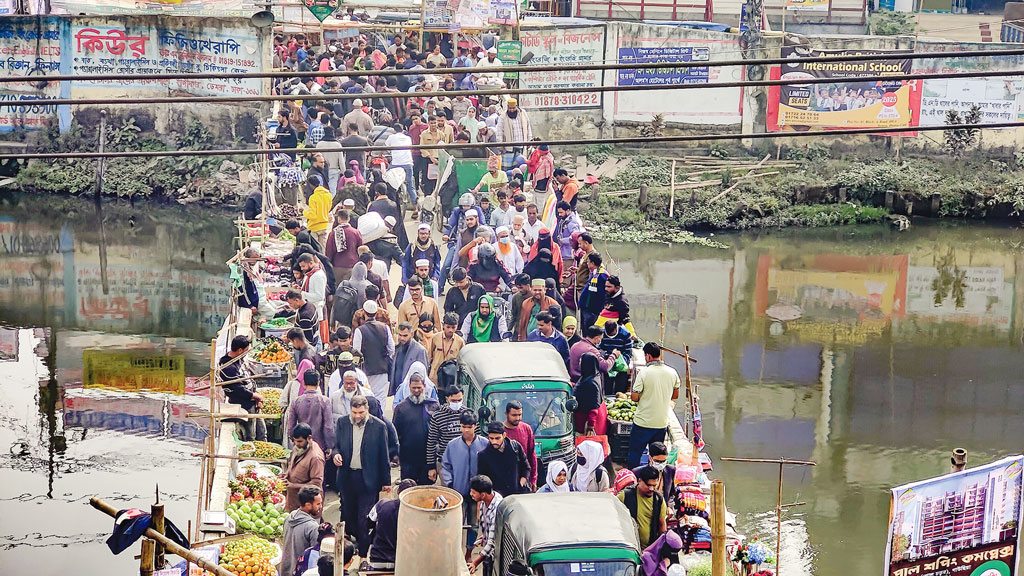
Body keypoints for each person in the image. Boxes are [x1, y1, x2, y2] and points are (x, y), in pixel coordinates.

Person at [333, 395, 393, 556]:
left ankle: (363, 554)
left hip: (368, 480)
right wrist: (336, 455)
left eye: (361, 412)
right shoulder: (342, 423)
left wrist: (386, 481)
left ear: (367, 410)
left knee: (363, 518)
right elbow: (336, 445)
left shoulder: (379, 427)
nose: (357, 416)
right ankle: (351, 548)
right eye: (354, 412)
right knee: (348, 514)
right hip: (347, 478)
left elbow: (383, 455)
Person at [441, 412, 489, 557]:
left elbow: (488, 467)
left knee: (474, 525)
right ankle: (454, 553)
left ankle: (469, 552)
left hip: (477, 495)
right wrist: (450, 485)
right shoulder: (452, 445)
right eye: (463, 427)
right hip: (458, 492)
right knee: (455, 524)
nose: (466, 430)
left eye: (469, 427)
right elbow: (446, 466)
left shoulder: (484, 444)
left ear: (475, 426)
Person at [628, 343, 680, 468]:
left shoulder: (644, 373)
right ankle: (654, 478)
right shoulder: (672, 372)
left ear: (649, 356)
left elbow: (634, 397)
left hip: (642, 422)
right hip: (661, 423)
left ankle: (633, 480)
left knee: (635, 454)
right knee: (655, 456)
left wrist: (646, 396)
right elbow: (675, 395)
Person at [392, 375, 440, 485]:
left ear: (424, 386)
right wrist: (396, 454)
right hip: (408, 459)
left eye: (419, 387)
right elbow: (395, 433)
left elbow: (439, 431)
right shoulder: (401, 408)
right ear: (409, 387)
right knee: (409, 489)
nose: (416, 390)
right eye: (414, 388)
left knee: (425, 491)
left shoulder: (433, 405)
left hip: (428, 458)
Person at [218, 335, 265, 441]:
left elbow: (248, 378)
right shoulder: (228, 367)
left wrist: (256, 394)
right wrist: (254, 396)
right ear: (240, 350)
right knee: (250, 436)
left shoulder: (239, 360)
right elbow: (238, 389)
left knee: (262, 432)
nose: (246, 353)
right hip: (244, 405)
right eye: (246, 350)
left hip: (253, 402)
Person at [366, 479, 418, 570]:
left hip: (377, 559)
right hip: (401, 562)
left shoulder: (382, 504)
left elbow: (369, 523)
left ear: (398, 492)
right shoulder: (417, 513)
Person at [426, 386, 473, 482]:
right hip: (445, 462)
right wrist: (431, 466)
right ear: (447, 399)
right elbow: (431, 442)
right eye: (453, 401)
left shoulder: (468, 414)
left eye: (459, 400)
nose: (457, 403)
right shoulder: (438, 416)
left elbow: (476, 438)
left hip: (465, 462)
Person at [352, 300, 394, 403]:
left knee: (365, 398)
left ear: (364, 313)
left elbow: (356, 352)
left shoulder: (360, 330)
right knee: (380, 399)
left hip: (366, 370)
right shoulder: (385, 328)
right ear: (376, 313)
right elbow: (391, 349)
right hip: (382, 369)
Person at [285, 371, 334, 455]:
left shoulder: (296, 401)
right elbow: (328, 427)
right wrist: (329, 446)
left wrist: (295, 440)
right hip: (319, 446)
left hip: (302, 445)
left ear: (303, 383)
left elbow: (291, 426)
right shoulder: (325, 401)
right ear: (318, 383)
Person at [280, 424, 327, 512]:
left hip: (308, 504)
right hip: (293, 500)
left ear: (309, 438)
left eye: (299, 441)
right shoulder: (298, 447)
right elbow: (292, 464)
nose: (296, 444)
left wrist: (293, 485)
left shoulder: (315, 457)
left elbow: (316, 484)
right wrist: (286, 474)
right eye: (295, 441)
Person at [618, 466, 667, 549]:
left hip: (650, 550)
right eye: (648, 485)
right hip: (629, 548)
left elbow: (662, 524)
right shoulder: (625, 496)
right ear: (639, 481)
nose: (651, 488)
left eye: (654, 485)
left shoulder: (659, 500)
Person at [477, 421, 530, 497]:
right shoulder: (483, 455)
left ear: (504, 435)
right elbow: (483, 479)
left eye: (497, 438)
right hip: (497, 499)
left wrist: (522, 481)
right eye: (491, 438)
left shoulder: (515, 447)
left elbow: (526, 467)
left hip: (517, 495)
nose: (494, 441)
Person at [282, 486, 323, 576]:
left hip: (285, 570)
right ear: (308, 505)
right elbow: (314, 557)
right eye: (318, 504)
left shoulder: (289, 518)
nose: (320, 507)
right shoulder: (313, 527)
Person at [469, 474, 503, 575]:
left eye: (473, 492)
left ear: (483, 494)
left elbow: (492, 542)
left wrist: (475, 563)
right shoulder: (484, 502)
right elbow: (486, 527)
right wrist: (483, 537)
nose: (471, 494)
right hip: (488, 552)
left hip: (496, 554)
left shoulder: (496, 509)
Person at [500, 401, 537, 490]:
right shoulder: (499, 430)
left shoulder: (526, 428)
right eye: (514, 415)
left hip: (524, 477)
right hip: (504, 479)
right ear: (506, 414)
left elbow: (532, 455)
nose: (517, 418)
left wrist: (533, 479)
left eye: (520, 415)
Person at [572, 352, 607, 436]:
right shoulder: (589, 377)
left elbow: (593, 407)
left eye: (581, 361)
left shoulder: (591, 383)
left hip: (586, 421)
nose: (579, 363)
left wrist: (590, 427)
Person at [389, 321, 428, 397]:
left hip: (412, 392)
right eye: (400, 335)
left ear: (412, 334)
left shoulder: (420, 350)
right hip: (397, 390)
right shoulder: (397, 348)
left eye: (405, 335)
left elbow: (423, 374)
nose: (402, 338)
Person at [634, 441, 677, 508]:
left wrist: (669, 507)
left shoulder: (671, 470)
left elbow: (671, 493)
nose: (661, 464)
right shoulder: (637, 472)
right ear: (650, 458)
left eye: (663, 461)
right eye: (657, 461)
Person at [325, 209, 363, 282]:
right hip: (352, 265)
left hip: (337, 265)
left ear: (338, 219)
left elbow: (329, 251)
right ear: (348, 219)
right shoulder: (355, 232)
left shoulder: (333, 233)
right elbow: (360, 248)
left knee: (338, 290)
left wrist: (328, 265)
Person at [385, 123, 417, 207]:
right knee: (410, 185)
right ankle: (415, 207)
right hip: (408, 163)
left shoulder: (391, 137)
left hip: (396, 163)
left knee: (385, 177)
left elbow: (386, 147)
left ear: (394, 130)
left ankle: (388, 198)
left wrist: (380, 155)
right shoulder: (408, 138)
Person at [428, 312, 464, 383]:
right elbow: (429, 357)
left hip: (450, 377)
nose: (450, 330)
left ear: (457, 326)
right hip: (435, 376)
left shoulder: (460, 341)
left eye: (453, 327)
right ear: (443, 325)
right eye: (448, 327)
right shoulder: (435, 337)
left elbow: (461, 362)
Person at [600, 320, 633, 396]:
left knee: (620, 388)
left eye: (613, 334)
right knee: (607, 387)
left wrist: (620, 363)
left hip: (621, 364)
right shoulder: (602, 333)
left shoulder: (625, 334)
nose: (611, 336)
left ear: (616, 329)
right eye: (609, 335)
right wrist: (609, 356)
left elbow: (628, 352)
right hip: (608, 363)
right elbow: (600, 348)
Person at [296, 253, 328, 329]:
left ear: (311, 263)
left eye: (303, 266)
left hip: (316, 311)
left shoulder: (318, 276)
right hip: (310, 310)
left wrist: (302, 294)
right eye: (301, 267)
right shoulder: (309, 274)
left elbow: (320, 296)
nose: (301, 269)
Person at [578, 252, 608, 329]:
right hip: (587, 308)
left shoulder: (602, 276)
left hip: (592, 310)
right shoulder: (594, 273)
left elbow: (602, 295)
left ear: (592, 263)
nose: (587, 264)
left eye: (588, 262)